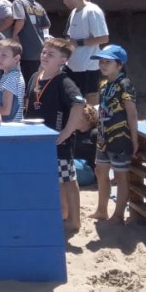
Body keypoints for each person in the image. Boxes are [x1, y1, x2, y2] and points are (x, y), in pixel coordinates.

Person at [24, 38, 85, 233]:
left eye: (51, 54)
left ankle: (74, 221)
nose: (44, 56)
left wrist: (67, 132)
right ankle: (62, 214)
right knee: (49, 179)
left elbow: (79, 104)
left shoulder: (64, 81)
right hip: (36, 141)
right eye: (43, 52)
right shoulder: (35, 76)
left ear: (63, 60)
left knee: (67, 180)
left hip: (58, 141)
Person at [87, 45, 138, 223]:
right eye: (101, 61)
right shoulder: (104, 85)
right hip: (103, 137)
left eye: (107, 62)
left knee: (121, 175)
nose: (102, 65)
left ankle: (118, 215)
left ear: (120, 65)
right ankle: (101, 210)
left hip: (120, 138)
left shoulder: (125, 84)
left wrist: (135, 138)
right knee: (101, 172)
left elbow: (132, 113)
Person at [60, 0, 109, 105]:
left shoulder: (92, 11)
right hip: (72, 64)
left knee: (91, 95)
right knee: (72, 96)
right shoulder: (74, 12)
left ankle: (93, 122)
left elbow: (103, 38)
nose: (64, 2)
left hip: (88, 64)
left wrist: (79, 43)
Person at [11, 0, 51, 87]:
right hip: (39, 49)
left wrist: (14, 35)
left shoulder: (18, 2)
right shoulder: (38, 5)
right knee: (36, 78)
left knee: (27, 83)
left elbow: (20, 20)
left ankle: (29, 102)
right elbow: (46, 25)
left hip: (26, 49)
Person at [0, 39, 25, 122]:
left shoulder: (12, 78)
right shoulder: (8, 75)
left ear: (16, 58)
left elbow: (6, 110)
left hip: (10, 128)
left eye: (4, 55)